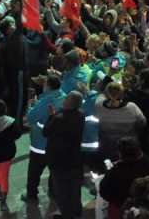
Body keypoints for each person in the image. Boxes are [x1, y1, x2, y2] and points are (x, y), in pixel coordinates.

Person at [22, 75, 65, 203]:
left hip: (40, 145)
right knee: (54, 171)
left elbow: (30, 118)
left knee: (34, 173)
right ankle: (53, 192)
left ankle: (31, 195)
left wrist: (30, 106)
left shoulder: (46, 101)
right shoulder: (64, 96)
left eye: (45, 83)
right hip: (57, 145)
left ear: (48, 86)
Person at [43, 90, 85, 219]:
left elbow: (46, 132)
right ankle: (77, 212)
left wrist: (51, 116)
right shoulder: (81, 115)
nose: (64, 99)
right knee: (75, 189)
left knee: (62, 191)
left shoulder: (58, 118)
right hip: (75, 158)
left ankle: (66, 215)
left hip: (59, 160)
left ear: (69, 102)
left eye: (66, 98)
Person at [99, 137, 149, 219]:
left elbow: (104, 192)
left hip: (119, 208)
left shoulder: (115, 171)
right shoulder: (147, 163)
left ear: (120, 154)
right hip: (143, 208)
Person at [96, 81, 146, 163]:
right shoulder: (132, 107)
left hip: (107, 146)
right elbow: (142, 122)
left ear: (107, 94)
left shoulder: (99, 105)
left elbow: (101, 95)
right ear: (122, 93)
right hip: (129, 146)